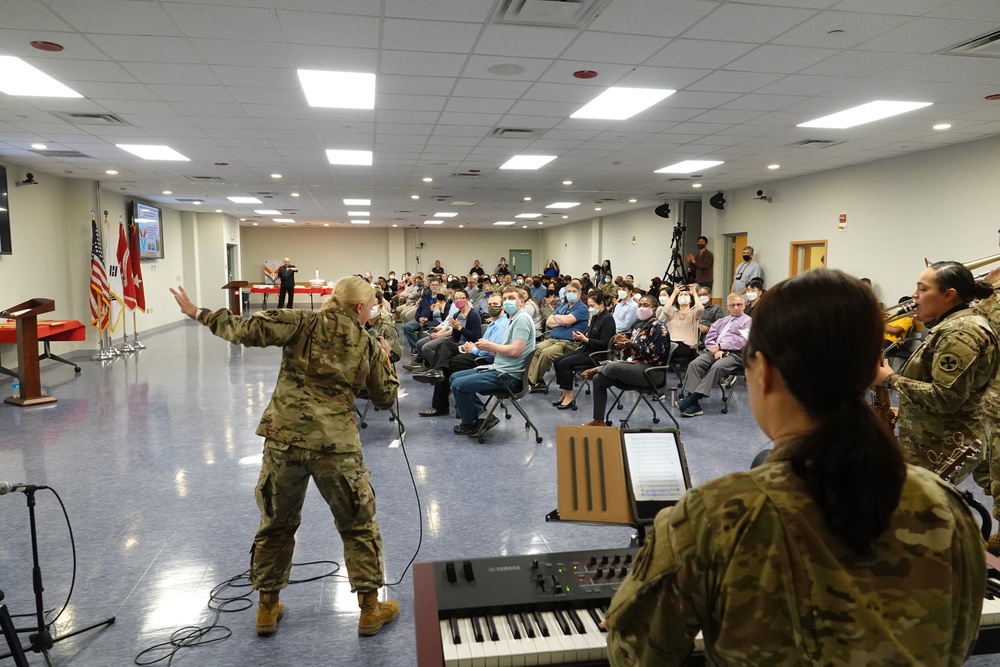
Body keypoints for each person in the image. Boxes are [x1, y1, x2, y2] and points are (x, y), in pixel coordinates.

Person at [605, 268, 985, 666]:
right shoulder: (948, 508)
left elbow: (636, 657)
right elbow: (958, 643)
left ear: (764, 371)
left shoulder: (713, 516)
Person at [169, 277, 401, 637]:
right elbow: (385, 398)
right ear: (359, 308)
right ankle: (370, 610)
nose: (372, 311)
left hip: (284, 442)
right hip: (335, 448)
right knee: (358, 524)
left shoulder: (299, 322)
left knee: (276, 523)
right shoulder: (368, 344)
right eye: (370, 306)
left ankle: (266, 607)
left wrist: (199, 313)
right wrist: (386, 360)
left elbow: (246, 329)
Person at [875, 261, 999, 474]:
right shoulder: (952, 326)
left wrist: (889, 379)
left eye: (923, 289)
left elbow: (945, 397)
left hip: (940, 448)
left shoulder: (960, 333)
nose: (914, 295)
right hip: (932, 439)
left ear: (949, 295)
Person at [449, 287, 536, 436]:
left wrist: (491, 346)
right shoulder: (513, 318)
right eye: (506, 298)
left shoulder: (521, 319)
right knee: (454, 377)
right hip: (500, 367)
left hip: (509, 375)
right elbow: (506, 348)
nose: (507, 301)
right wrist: (489, 347)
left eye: (512, 298)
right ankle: (482, 416)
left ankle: (469, 423)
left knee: (458, 385)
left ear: (521, 302)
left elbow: (516, 351)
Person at [414, 293, 508, 417]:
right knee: (444, 347)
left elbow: (485, 346)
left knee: (448, 364)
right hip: (472, 348)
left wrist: (471, 347)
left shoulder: (485, 319)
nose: (491, 307)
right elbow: (458, 339)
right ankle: (436, 371)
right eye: (489, 304)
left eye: (495, 304)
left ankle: (442, 404)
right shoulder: (462, 316)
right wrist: (456, 329)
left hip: (483, 357)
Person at [582, 294, 670, 426]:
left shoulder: (659, 327)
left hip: (652, 371)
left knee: (612, 367)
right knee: (598, 379)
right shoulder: (638, 326)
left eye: (646, 306)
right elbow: (634, 352)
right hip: (635, 366)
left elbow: (655, 355)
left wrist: (632, 345)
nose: (641, 308)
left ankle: (598, 368)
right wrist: (623, 345)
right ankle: (598, 420)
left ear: (655, 308)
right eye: (640, 305)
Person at [678, 293, 751, 417]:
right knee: (695, 364)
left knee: (717, 367)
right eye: (733, 305)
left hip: (735, 354)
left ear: (744, 305)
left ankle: (692, 399)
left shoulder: (748, 321)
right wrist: (715, 349)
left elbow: (742, 341)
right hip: (714, 351)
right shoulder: (721, 321)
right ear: (727, 306)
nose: (736, 307)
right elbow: (710, 337)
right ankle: (693, 403)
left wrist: (722, 347)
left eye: (739, 304)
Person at [551, 291, 616, 409]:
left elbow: (605, 344)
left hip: (597, 355)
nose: (590, 308)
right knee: (557, 361)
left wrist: (586, 340)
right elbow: (591, 336)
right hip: (587, 350)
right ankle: (564, 393)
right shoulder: (596, 317)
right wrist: (581, 338)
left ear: (601, 304)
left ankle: (569, 396)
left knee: (564, 364)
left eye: (592, 306)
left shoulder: (607, 319)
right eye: (589, 306)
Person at [526, 281, 589, 392]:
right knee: (534, 349)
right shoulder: (564, 306)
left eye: (574, 291)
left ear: (579, 294)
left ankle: (530, 382)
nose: (571, 293)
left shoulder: (582, 308)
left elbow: (566, 320)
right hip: (553, 339)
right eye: (568, 291)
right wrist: (563, 320)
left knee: (546, 353)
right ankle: (538, 381)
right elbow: (548, 322)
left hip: (569, 343)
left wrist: (559, 318)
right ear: (565, 293)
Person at [660, 283, 703, 365]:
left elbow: (700, 308)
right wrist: (674, 293)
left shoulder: (694, 314)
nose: (683, 296)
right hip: (671, 344)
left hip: (687, 347)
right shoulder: (673, 313)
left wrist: (694, 293)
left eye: (686, 294)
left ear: (690, 300)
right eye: (680, 295)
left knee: (663, 346)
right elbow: (665, 309)